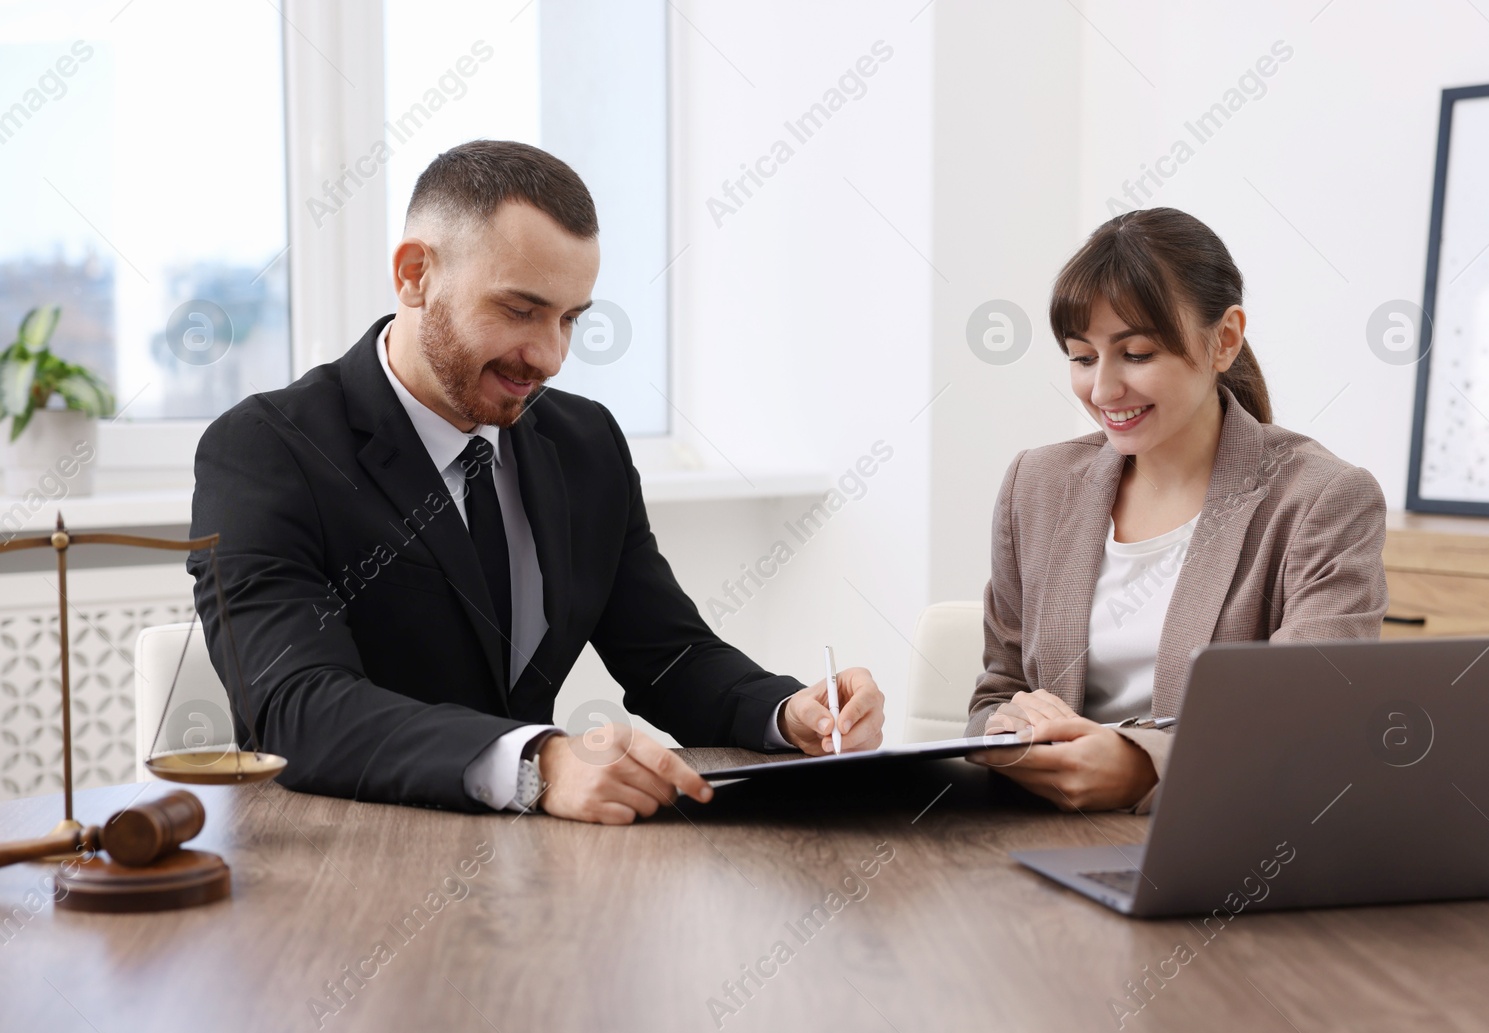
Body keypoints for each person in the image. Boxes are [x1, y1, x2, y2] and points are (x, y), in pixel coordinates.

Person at [187, 140, 884, 824]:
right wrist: (538, 762)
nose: (549, 356)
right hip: (352, 863)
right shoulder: (266, 450)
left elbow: (669, 655)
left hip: (539, 871)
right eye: (520, 311)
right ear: (413, 275)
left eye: (570, 319)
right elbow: (296, 706)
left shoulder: (586, 444)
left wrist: (787, 710)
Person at [964, 207, 1387, 815]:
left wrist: (1142, 767)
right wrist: (1011, 729)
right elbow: (995, 694)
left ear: (1225, 339)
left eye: (1136, 354)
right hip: (1038, 838)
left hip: (1219, 850)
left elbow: (1310, 726)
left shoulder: (1321, 500)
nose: (1104, 391)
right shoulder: (1036, 485)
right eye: (1083, 359)